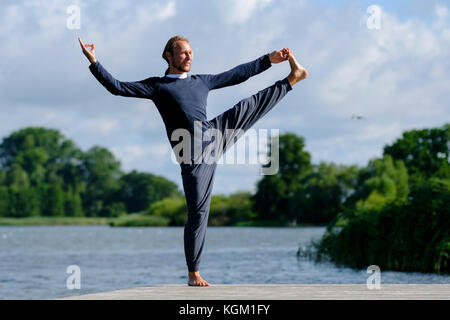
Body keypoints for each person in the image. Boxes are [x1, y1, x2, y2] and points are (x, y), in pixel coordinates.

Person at [78, 35, 308, 286]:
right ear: (169, 56)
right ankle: (193, 273)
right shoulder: (158, 86)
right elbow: (117, 87)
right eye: (184, 53)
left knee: (248, 105)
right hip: (193, 157)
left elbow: (237, 74)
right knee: (198, 214)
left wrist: (268, 60)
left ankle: (292, 79)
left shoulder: (201, 81)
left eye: (190, 52)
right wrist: (94, 62)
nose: (189, 57)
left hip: (214, 133)